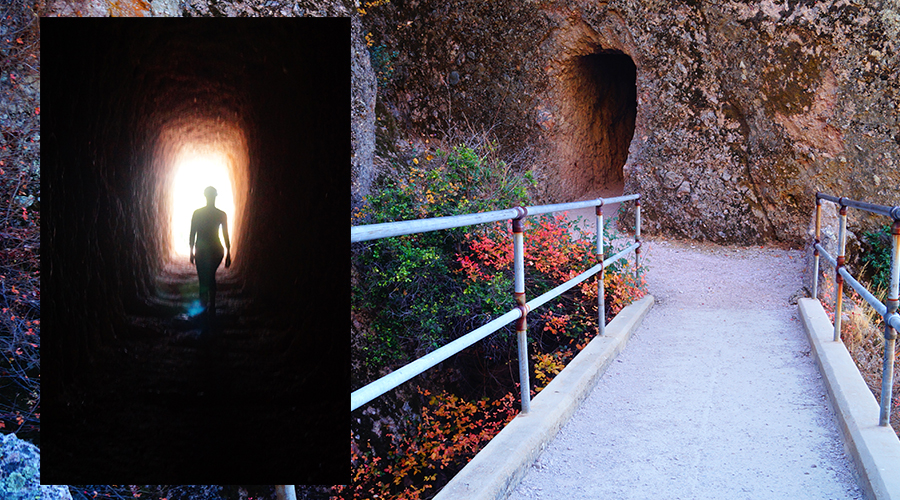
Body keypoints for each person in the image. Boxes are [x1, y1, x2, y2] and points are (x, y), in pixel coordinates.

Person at [189, 186, 231, 317]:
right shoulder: (221, 214)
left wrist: (191, 251)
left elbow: (193, 233)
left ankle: (205, 305)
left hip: (202, 250)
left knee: (203, 278)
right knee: (210, 275)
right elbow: (225, 234)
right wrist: (228, 252)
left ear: (205, 196)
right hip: (216, 250)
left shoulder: (197, 213)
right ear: (215, 196)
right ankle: (211, 305)